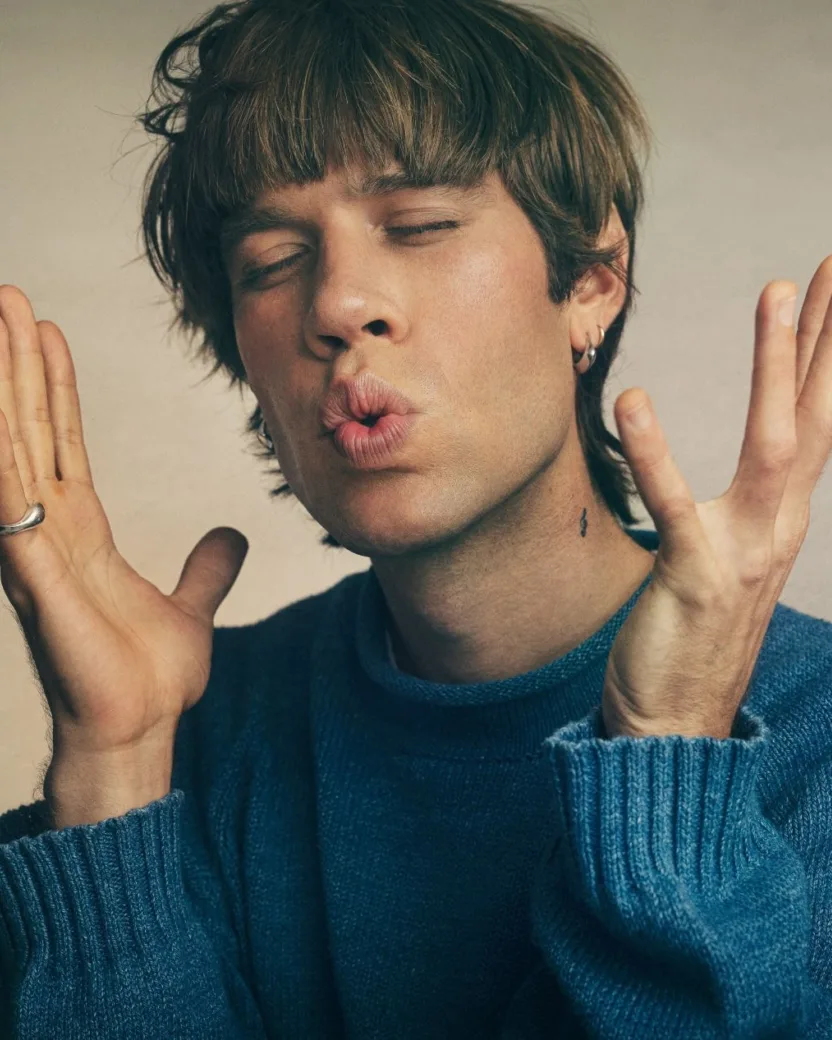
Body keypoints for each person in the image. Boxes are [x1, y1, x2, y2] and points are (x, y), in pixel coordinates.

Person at [0, 0, 831, 1036]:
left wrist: (667, 750)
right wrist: (112, 762)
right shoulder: (181, 742)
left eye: (420, 225)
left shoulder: (812, 733)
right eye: (270, 261)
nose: (339, 303)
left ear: (589, 281)